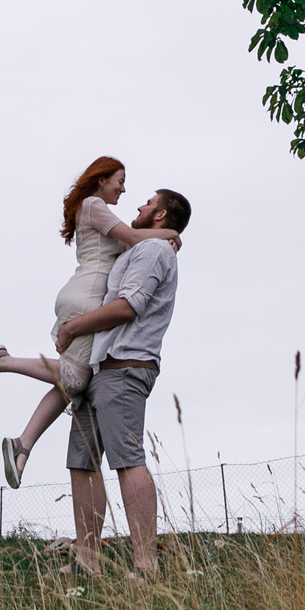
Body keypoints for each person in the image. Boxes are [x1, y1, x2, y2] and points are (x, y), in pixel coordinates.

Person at [0, 157, 178, 488]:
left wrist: (165, 237)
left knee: (72, 380)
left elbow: (134, 241)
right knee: (74, 378)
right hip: (88, 295)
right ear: (102, 179)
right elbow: (135, 238)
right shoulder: (93, 205)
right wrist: (173, 233)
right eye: (120, 181)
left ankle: (23, 445)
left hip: (85, 293)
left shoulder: (98, 214)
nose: (124, 189)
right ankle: (2, 361)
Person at [55, 186, 188, 580]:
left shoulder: (154, 251)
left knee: (127, 460)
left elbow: (128, 307)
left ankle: (146, 566)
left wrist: (72, 328)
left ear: (160, 215)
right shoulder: (140, 247)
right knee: (82, 462)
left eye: (148, 203)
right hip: (100, 368)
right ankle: (87, 562)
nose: (139, 206)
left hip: (125, 367)